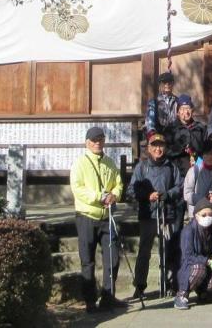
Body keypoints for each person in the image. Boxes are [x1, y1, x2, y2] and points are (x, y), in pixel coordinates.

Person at [69, 126, 125, 312]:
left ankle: (108, 296)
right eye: (94, 140)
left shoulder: (110, 162)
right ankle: (90, 301)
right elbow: (78, 189)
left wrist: (115, 195)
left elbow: (118, 183)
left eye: (100, 139)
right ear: (87, 143)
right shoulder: (79, 163)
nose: (97, 143)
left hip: (107, 217)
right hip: (86, 216)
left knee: (113, 258)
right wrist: (99, 197)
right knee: (87, 260)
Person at [128, 132, 183, 299]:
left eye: (161, 145)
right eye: (154, 146)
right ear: (149, 148)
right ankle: (139, 286)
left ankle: (170, 284)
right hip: (148, 214)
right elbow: (132, 190)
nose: (158, 149)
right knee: (144, 251)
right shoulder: (142, 167)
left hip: (168, 214)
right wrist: (147, 195)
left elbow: (180, 187)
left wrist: (167, 194)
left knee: (169, 249)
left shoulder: (171, 167)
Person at [173, 198, 212, 310]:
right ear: (196, 216)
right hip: (188, 268)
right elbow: (188, 256)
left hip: (207, 267)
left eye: (210, 214)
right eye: (204, 215)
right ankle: (181, 295)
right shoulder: (188, 231)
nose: (208, 217)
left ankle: (202, 292)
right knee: (199, 268)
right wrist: (208, 261)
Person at [183, 140, 212, 223]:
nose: (210, 157)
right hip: (197, 215)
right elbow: (187, 194)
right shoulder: (194, 171)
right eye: (207, 153)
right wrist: (205, 199)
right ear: (202, 155)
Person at [165, 94, 207, 175]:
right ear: (178, 112)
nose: (186, 112)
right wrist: (180, 146)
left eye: (188, 108)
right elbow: (167, 152)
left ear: (192, 110)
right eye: (183, 109)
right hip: (178, 173)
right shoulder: (171, 129)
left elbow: (206, 149)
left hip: (198, 170)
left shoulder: (200, 128)